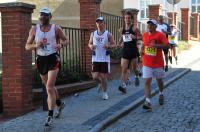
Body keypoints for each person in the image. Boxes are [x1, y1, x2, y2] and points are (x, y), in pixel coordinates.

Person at [25, 7, 69, 126]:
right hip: (41, 60)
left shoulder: (56, 28)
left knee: (49, 87)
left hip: (53, 58)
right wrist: (35, 45)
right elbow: (27, 46)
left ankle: (50, 116)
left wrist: (61, 45)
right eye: (41, 15)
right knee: (49, 86)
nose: (43, 17)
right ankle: (59, 103)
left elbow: (66, 40)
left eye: (45, 15)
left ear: (50, 17)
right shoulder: (34, 29)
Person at [141, 19, 169, 110]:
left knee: (159, 81)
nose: (149, 26)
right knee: (147, 82)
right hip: (147, 63)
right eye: (148, 24)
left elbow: (167, 45)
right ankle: (148, 101)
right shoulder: (145, 35)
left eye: (152, 25)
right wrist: (141, 51)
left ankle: (161, 93)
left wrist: (156, 46)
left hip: (158, 63)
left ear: (156, 26)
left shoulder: (160, 35)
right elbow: (143, 45)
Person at [88, 17, 116, 100]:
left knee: (103, 77)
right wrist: (91, 46)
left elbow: (114, 45)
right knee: (95, 77)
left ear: (104, 23)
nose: (99, 24)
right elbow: (89, 43)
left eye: (101, 22)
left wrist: (108, 46)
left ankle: (105, 93)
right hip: (95, 58)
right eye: (98, 22)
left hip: (104, 58)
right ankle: (101, 84)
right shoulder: (93, 34)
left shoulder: (108, 34)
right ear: (96, 24)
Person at [118, 11, 142, 94]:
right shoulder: (122, 29)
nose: (127, 19)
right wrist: (119, 43)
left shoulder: (134, 28)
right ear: (124, 19)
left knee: (134, 68)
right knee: (123, 69)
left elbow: (141, 36)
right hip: (125, 51)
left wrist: (134, 36)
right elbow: (122, 38)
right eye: (126, 18)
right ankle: (123, 86)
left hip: (133, 51)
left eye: (129, 18)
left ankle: (137, 75)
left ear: (131, 19)